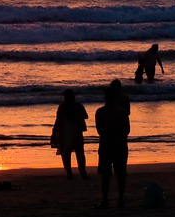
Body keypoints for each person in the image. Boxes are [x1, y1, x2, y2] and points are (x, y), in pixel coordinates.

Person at [94, 80, 131, 208]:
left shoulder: (100, 112)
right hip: (120, 145)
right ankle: (120, 200)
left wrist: (110, 136)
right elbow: (127, 130)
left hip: (106, 146)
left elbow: (100, 131)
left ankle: (105, 201)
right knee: (120, 174)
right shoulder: (122, 112)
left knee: (105, 175)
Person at [52, 89, 89, 177]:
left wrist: (54, 132)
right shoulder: (77, 106)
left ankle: (70, 173)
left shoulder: (63, 107)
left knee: (67, 153)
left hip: (68, 132)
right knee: (78, 153)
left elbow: (58, 120)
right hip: (73, 132)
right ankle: (81, 172)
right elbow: (85, 116)